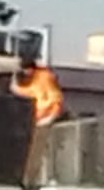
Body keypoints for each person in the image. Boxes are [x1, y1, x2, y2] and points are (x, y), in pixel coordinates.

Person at [10, 47, 64, 183]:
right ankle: (29, 179)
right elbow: (27, 91)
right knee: (34, 151)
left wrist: (51, 116)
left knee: (40, 151)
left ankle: (32, 179)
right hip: (40, 119)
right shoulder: (36, 79)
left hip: (47, 118)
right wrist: (14, 85)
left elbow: (56, 99)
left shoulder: (44, 77)